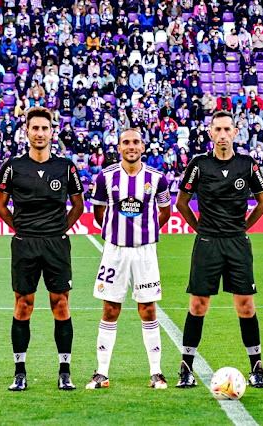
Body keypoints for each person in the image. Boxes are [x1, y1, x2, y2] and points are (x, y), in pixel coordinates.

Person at [175, 110, 263, 389]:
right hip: (207, 243)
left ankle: (257, 368)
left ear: (236, 132)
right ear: (210, 133)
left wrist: (243, 228)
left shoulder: (247, 165)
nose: (223, 135)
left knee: (246, 306)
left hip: (236, 243)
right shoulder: (199, 165)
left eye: (228, 129)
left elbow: (262, 202)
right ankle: (186, 369)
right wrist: (199, 228)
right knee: (198, 305)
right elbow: (182, 202)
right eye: (217, 130)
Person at [0, 107, 85, 392]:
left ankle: (65, 370)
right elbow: (0, 204)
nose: (40, 133)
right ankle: (19, 371)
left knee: (60, 303)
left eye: (44, 128)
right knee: (24, 305)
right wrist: (21, 228)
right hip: (25, 244)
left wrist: (58, 230)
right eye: (35, 128)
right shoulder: (13, 166)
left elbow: (78, 205)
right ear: (27, 131)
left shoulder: (66, 166)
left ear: (51, 132)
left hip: (56, 244)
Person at [85, 128, 171, 390]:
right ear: (119, 147)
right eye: (126, 143)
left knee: (148, 309)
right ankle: (101, 373)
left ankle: (156, 372)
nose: (131, 146)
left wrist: (146, 232)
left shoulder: (158, 179)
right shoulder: (105, 177)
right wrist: (114, 232)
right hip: (115, 251)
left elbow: (164, 212)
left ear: (143, 147)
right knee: (110, 309)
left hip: (145, 252)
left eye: (135, 142)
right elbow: (99, 212)